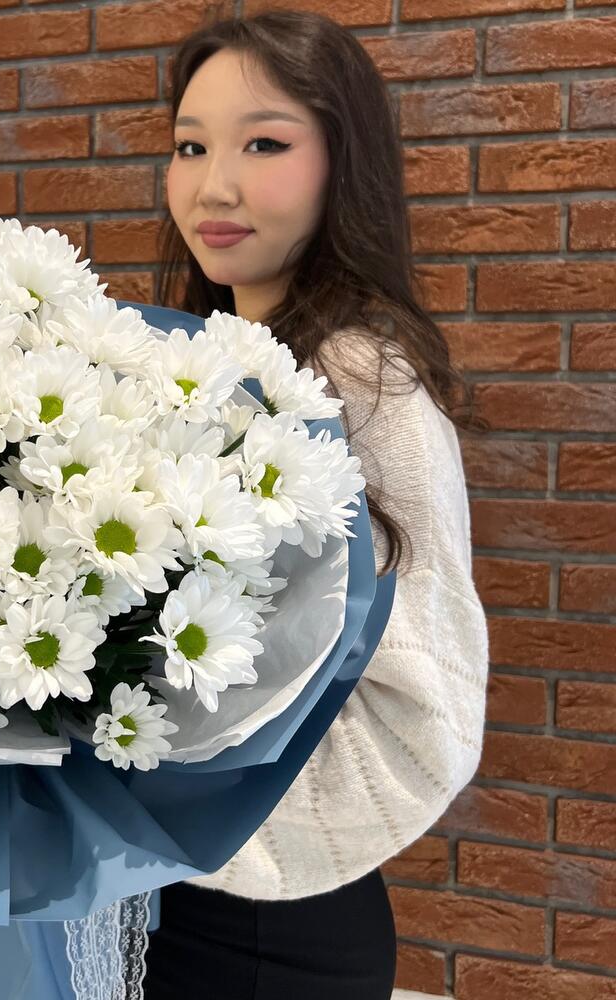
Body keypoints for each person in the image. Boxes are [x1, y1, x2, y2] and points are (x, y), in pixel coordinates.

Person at [140, 10, 490, 999]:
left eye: (264, 144)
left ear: (344, 162)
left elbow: (427, 695)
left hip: (266, 917)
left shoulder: (360, 377)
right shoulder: (193, 359)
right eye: (191, 147)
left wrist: (183, 803)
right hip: (160, 885)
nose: (214, 186)